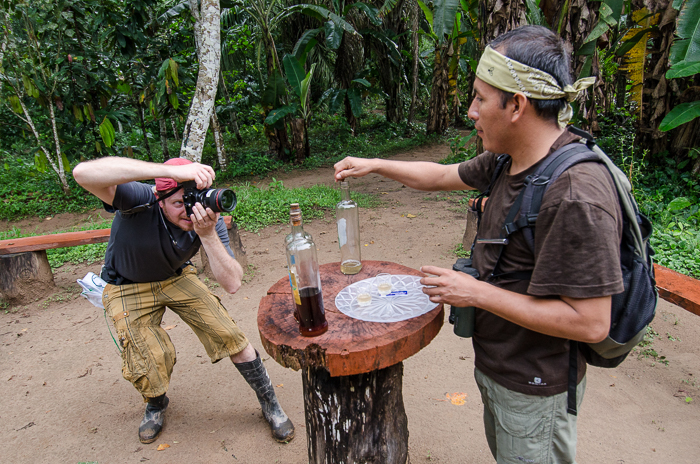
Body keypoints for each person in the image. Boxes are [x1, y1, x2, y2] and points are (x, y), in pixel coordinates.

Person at [334, 25, 622, 463]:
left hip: (535, 385)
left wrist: (475, 293)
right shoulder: (510, 158)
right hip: (501, 366)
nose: (471, 110)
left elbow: (591, 323)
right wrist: (373, 165)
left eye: (480, 98)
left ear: (516, 105)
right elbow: (441, 175)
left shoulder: (575, 193)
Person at [72, 157, 295, 444]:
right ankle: (156, 404)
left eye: (193, 200)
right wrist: (171, 172)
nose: (190, 211)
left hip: (176, 277)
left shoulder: (206, 218)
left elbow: (233, 283)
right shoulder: (140, 197)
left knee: (229, 335)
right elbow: (82, 173)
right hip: (126, 285)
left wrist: (208, 235)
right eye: (179, 203)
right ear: (160, 200)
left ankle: (270, 403)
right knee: (148, 356)